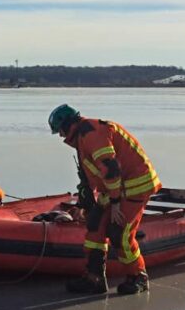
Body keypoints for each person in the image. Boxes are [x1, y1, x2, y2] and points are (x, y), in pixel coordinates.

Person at [48, 104, 161, 295]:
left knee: (120, 233)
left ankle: (138, 277)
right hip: (115, 188)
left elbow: (111, 168)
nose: (60, 136)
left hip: (135, 186)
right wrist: (82, 204)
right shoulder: (82, 137)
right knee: (95, 225)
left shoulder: (93, 133)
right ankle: (95, 278)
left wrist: (116, 203)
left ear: (67, 125)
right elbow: (89, 176)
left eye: (60, 131)